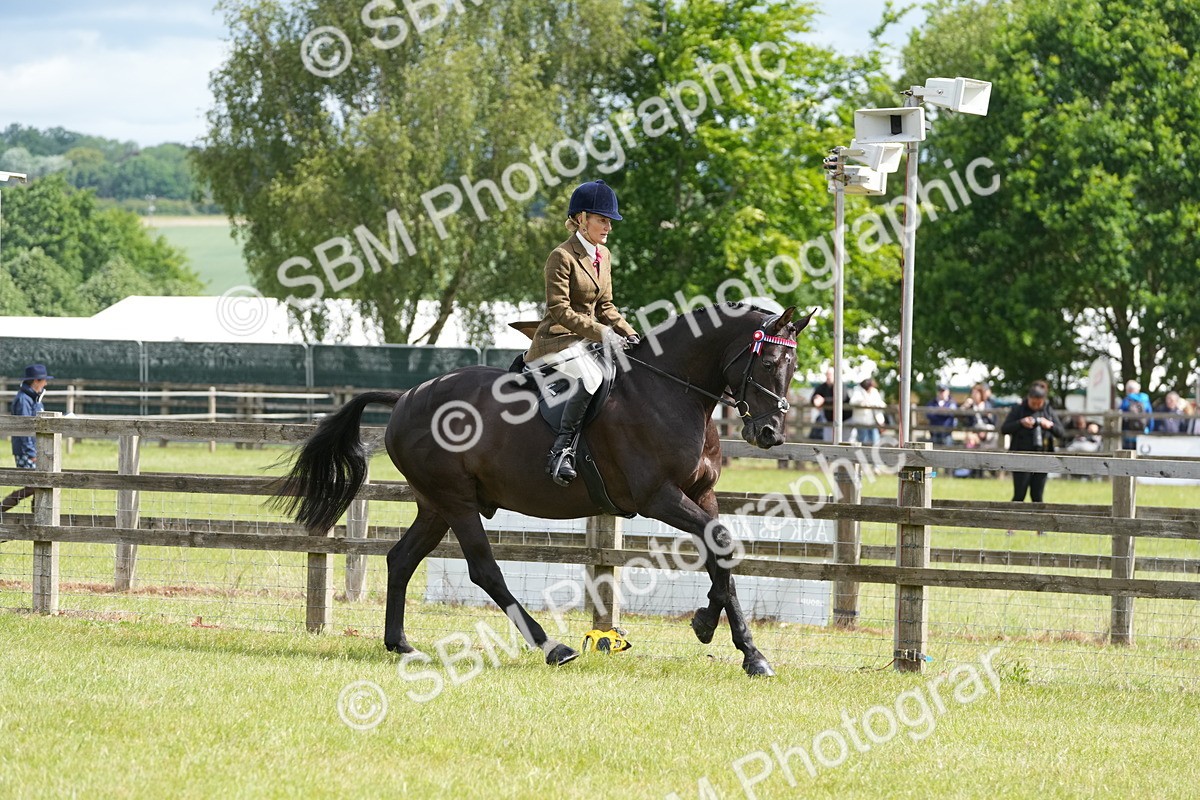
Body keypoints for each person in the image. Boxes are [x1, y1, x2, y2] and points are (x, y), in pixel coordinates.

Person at [524, 180, 639, 487]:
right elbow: (560, 310)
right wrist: (604, 333)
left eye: (610, 221)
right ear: (582, 218)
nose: (608, 228)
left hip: (588, 339)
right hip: (556, 340)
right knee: (591, 377)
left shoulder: (605, 255)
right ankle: (561, 451)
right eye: (603, 220)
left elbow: (606, 305)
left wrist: (631, 334)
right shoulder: (561, 256)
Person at [1001, 380, 1064, 505]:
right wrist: (1020, 423)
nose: (1035, 406)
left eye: (1038, 403)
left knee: (1037, 496)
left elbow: (1061, 432)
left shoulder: (1048, 410)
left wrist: (1049, 425)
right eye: (1033, 403)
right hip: (1021, 457)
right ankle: (1011, 522)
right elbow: (1004, 429)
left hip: (1042, 457)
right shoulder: (1018, 409)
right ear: (1028, 398)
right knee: (1019, 494)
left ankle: (1038, 523)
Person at [2, 363, 54, 513]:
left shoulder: (34, 398)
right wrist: (31, 453)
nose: (46, 383)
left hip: (35, 449)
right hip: (27, 450)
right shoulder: (24, 399)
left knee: (37, 485)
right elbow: (23, 426)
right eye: (44, 380)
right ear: (36, 381)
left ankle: (35, 520)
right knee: (34, 485)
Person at [810, 368, 851, 442]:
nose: (828, 377)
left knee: (844, 442)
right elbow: (814, 398)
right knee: (828, 441)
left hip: (844, 419)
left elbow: (842, 399)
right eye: (827, 374)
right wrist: (815, 400)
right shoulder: (823, 386)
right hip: (829, 419)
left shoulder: (841, 385)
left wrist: (824, 400)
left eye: (830, 375)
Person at [848, 377, 885, 445]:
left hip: (873, 421)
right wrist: (862, 401)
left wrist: (873, 404)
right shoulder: (857, 391)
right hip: (861, 421)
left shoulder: (874, 391)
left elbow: (881, 403)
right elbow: (852, 402)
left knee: (875, 441)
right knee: (862, 440)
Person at [1119, 379, 1151, 450]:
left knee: (1127, 457)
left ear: (1128, 390)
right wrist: (1149, 430)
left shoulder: (1126, 400)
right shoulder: (1145, 400)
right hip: (1143, 433)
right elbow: (1150, 417)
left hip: (1128, 434)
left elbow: (1120, 416)